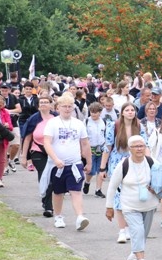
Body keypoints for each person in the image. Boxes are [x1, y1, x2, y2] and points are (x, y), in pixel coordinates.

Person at [106, 135, 162, 260]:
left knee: (142, 234)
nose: (139, 149)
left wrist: (158, 187)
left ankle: (133, 255)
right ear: (130, 149)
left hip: (149, 206)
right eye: (136, 146)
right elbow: (112, 187)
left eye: (142, 146)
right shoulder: (123, 165)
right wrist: (109, 207)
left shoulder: (152, 162)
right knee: (137, 231)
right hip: (130, 206)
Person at [99, 102, 148, 243]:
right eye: (127, 110)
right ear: (122, 112)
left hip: (135, 163)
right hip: (117, 163)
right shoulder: (113, 126)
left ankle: (129, 226)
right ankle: (122, 229)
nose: (130, 112)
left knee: (132, 195)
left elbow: (146, 145)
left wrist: (150, 164)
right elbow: (107, 147)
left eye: (132, 110)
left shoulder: (139, 126)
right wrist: (102, 168)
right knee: (118, 197)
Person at [42, 93, 92, 231]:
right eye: (64, 106)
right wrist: (55, 159)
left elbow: (85, 143)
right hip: (57, 165)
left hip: (75, 163)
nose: (67, 109)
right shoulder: (53, 123)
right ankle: (58, 216)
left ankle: (80, 217)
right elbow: (47, 142)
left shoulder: (78, 123)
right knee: (58, 192)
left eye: (70, 106)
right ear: (58, 107)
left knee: (76, 190)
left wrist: (89, 162)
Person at [21, 95, 57, 217]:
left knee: (52, 177)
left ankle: (45, 199)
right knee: (44, 175)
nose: (43, 104)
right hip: (38, 150)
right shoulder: (34, 119)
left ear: (51, 104)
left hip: (53, 151)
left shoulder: (56, 117)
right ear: (38, 105)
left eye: (46, 102)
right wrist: (23, 156)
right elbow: (27, 138)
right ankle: (48, 207)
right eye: (41, 102)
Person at [82, 103, 107, 198]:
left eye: (96, 112)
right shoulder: (87, 121)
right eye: (92, 112)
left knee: (101, 169)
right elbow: (83, 137)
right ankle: (87, 182)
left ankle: (98, 189)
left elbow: (105, 135)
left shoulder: (104, 122)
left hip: (101, 148)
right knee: (91, 170)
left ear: (100, 113)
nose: (93, 114)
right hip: (90, 148)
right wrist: (83, 150)